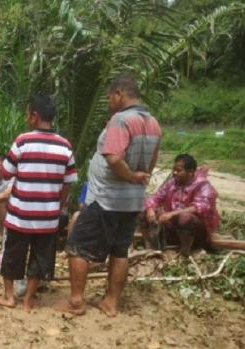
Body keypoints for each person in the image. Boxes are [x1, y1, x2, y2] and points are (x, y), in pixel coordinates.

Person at [56, 75, 161, 317]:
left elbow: (113, 157)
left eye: (109, 97)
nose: (108, 102)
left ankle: (76, 301)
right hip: (132, 201)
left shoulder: (121, 120)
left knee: (78, 246)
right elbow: (152, 160)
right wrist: (138, 180)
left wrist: (131, 176)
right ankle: (111, 303)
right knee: (119, 251)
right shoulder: (153, 123)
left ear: (120, 94)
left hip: (107, 197)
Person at [0, 94, 78, 312]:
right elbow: (68, 183)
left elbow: (6, 172)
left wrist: (1, 168)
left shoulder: (23, 141)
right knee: (40, 260)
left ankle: (10, 298)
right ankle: (29, 300)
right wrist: (58, 206)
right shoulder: (65, 146)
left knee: (12, 256)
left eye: (27, 113)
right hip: (48, 218)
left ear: (35, 116)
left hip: (20, 215)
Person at [141, 154, 220, 255]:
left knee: (185, 217)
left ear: (190, 171)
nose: (174, 173)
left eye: (178, 170)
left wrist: (172, 214)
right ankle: (149, 246)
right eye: (174, 170)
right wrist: (150, 209)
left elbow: (201, 207)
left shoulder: (203, 185)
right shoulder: (172, 183)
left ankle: (185, 251)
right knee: (143, 210)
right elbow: (156, 198)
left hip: (197, 232)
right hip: (173, 227)